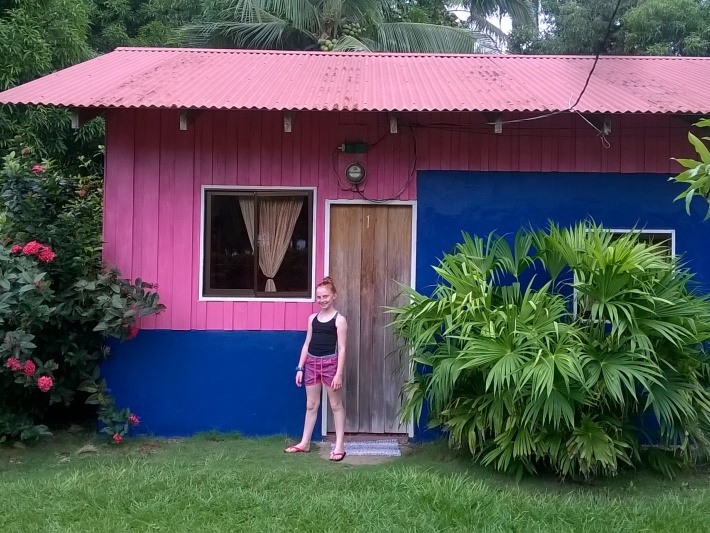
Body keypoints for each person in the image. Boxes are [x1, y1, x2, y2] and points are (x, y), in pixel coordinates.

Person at [285, 276, 348, 461]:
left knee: (336, 405)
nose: (322, 300)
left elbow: (343, 349)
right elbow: (306, 344)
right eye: (319, 297)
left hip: (330, 365)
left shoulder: (339, 320)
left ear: (334, 296)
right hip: (311, 365)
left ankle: (339, 446)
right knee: (311, 405)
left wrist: (339, 373)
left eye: (326, 296)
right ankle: (304, 443)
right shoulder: (312, 318)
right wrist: (300, 367)